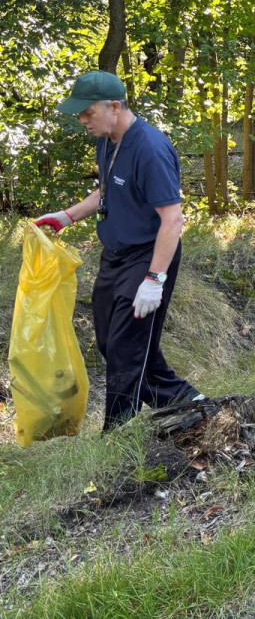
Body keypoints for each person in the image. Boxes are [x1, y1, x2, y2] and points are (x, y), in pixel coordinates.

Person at [34, 71, 203, 430]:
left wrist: (154, 280)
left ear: (114, 106)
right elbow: (107, 189)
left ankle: (117, 434)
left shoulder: (150, 149)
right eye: (80, 114)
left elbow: (172, 220)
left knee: (126, 348)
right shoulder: (108, 139)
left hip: (148, 255)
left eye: (88, 112)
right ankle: (187, 402)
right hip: (115, 255)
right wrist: (67, 216)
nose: (82, 120)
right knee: (111, 343)